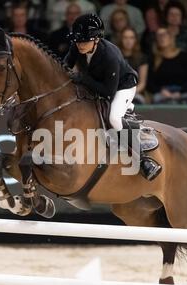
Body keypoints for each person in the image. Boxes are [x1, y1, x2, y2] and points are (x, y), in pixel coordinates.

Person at [64, 13, 161, 181]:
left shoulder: (110, 56)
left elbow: (108, 92)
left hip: (122, 87)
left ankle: (143, 160)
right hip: (97, 83)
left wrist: (82, 79)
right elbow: (65, 67)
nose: (80, 44)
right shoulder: (77, 45)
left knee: (114, 118)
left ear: (96, 39)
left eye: (84, 41)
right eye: (78, 40)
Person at [147, 26, 187, 104]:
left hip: (182, 92)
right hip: (162, 93)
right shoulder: (153, 59)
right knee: (158, 100)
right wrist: (161, 91)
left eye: (164, 35)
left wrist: (180, 92)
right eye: (159, 35)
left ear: (171, 37)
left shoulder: (184, 56)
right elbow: (150, 83)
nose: (161, 38)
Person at [117, 27, 148, 104]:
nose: (128, 41)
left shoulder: (142, 58)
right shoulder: (115, 57)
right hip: (117, 92)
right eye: (125, 37)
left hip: (135, 94)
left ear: (135, 40)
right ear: (121, 39)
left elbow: (142, 84)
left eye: (131, 38)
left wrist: (129, 93)